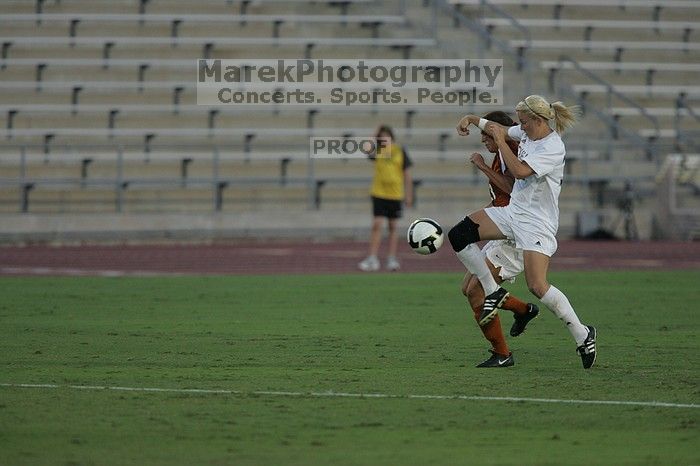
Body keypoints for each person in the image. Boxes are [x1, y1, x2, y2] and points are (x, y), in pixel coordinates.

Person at [450, 95, 598, 369]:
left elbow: (518, 171)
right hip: (513, 213)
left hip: (536, 223)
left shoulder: (553, 148)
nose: (521, 128)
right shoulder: (527, 132)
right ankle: (496, 296)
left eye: (525, 123)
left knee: (537, 286)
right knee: (459, 234)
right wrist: (472, 120)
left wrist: (501, 143)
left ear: (539, 121)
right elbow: (502, 129)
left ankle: (582, 333)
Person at [462, 111, 540, 368]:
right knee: (467, 288)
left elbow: (511, 188)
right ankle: (523, 310)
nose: (484, 140)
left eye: (486, 135)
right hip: (504, 229)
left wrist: (482, 166)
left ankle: (502, 354)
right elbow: (502, 198)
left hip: (515, 232)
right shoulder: (502, 155)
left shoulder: (510, 152)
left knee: (476, 292)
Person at [358, 125, 413, 272]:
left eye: (385, 136)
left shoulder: (400, 151)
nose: (383, 139)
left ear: (391, 137)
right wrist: (373, 134)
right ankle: (372, 258)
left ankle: (391, 258)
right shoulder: (378, 151)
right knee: (376, 224)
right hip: (379, 193)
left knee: (393, 227)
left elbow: (407, 175)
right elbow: (366, 149)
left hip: (395, 195)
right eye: (380, 137)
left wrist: (409, 195)